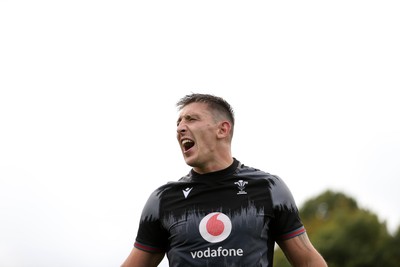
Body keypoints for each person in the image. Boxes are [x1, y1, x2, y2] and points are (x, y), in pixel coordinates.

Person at [121, 93, 327, 267]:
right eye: (178, 122)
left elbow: (308, 260)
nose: (180, 128)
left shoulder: (269, 188)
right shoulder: (163, 199)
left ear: (223, 129)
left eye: (191, 119)